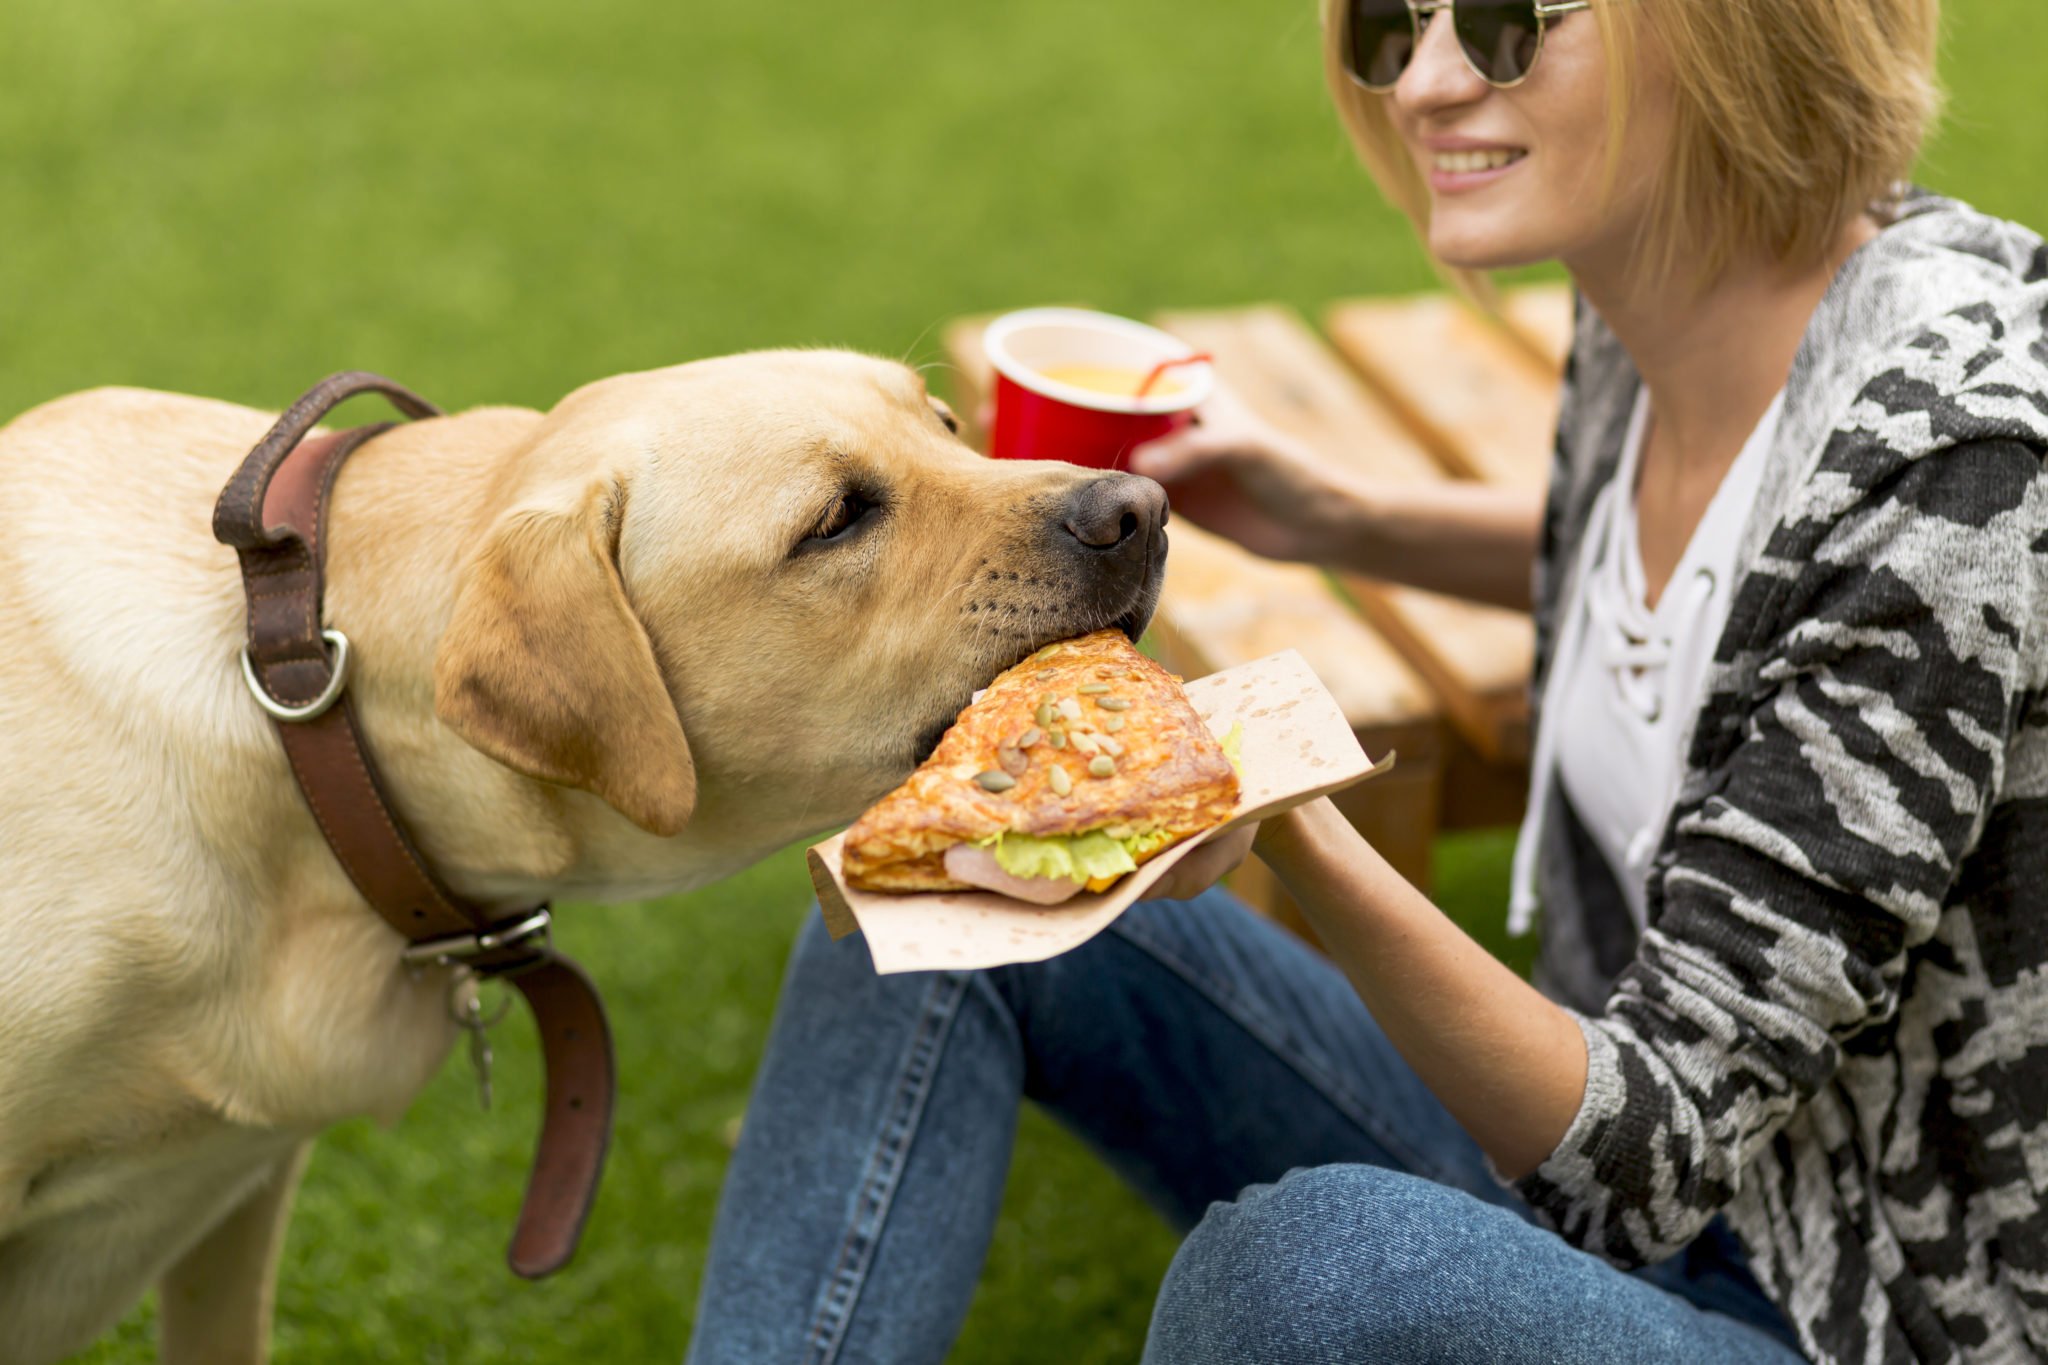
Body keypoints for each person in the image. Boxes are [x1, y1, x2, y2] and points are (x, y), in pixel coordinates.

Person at [687, 0, 2048, 1359]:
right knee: (921, 903)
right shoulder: (1675, 280)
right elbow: (1728, 572)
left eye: (1513, 23)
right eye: (1396, 24)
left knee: (1318, 1272)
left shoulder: (1958, 477)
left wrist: (1277, 799)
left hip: (1862, 1305)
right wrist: (1337, 516)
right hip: (1639, 1167)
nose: (1427, 85)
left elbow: (1654, 1153)